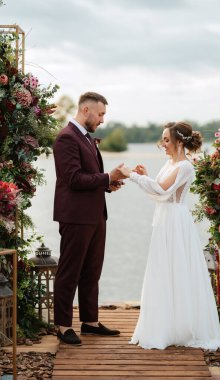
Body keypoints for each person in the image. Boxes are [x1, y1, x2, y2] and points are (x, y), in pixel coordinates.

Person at [119, 121, 220, 350]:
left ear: (178, 142)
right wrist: (146, 176)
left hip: (176, 222)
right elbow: (159, 192)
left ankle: (181, 327)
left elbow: (162, 191)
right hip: (164, 219)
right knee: (163, 270)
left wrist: (132, 176)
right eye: (163, 140)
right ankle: (166, 326)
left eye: (166, 140)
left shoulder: (185, 166)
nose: (163, 144)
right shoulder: (169, 163)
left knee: (177, 269)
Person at [53, 91, 126, 345]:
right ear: (86, 110)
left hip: (95, 215)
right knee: (69, 271)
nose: (103, 120)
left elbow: (88, 176)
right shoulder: (66, 138)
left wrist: (108, 185)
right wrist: (107, 177)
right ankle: (63, 326)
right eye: (101, 114)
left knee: (92, 270)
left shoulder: (85, 138)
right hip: (75, 216)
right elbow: (73, 178)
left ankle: (90, 322)